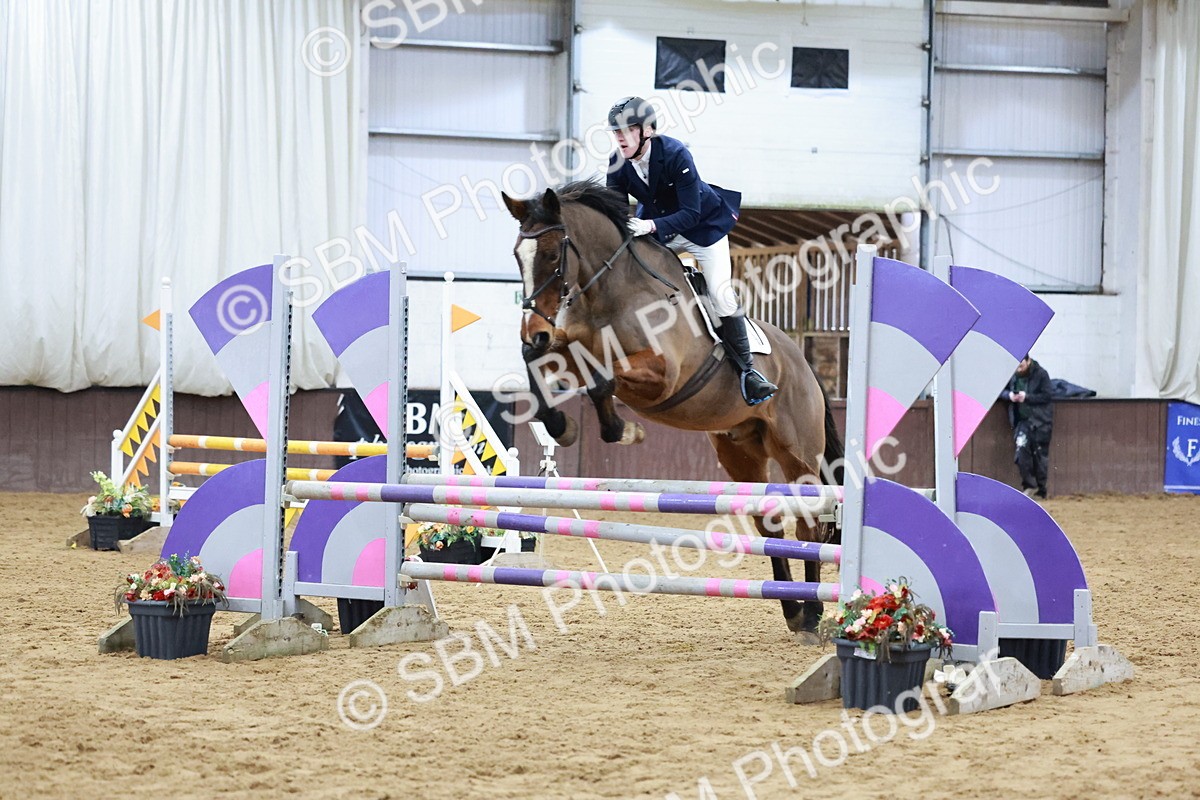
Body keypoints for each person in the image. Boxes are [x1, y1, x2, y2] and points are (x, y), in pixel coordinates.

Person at [604, 95, 777, 406]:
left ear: (648, 131)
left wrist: (650, 227)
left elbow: (691, 213)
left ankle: (749, 373)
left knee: (721, 293)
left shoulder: (675, 154)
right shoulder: (618, 162)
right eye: (616, 131)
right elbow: (615, 212)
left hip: (701, 230)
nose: (620, 137)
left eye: (627, 130)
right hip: (657, 227)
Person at [1004, 354, 1054, 499]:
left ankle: (1040, 490)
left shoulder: (1041, 374)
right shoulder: (1012, 375)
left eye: (1021, 365)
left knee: (1040, 456)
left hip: (1040, 421)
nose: (1018, 369)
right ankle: (1030, 486)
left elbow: (1047, 395)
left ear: (1028, 361)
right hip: (1022, 421)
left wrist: (1027, 397)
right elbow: (1001, 390)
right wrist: (1010, 396)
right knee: (1021, 453)